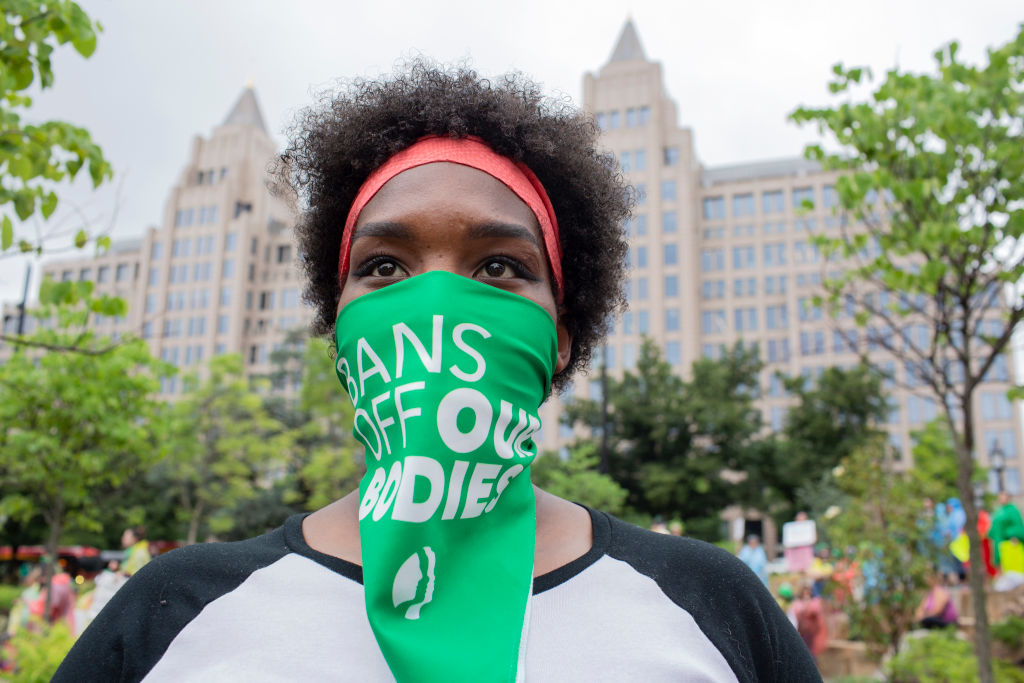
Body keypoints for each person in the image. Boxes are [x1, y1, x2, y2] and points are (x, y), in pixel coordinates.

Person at [56, 62, 820, 682]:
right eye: (384, 265)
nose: (438, 302)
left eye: (499, 265)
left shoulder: (713, 605)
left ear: (561, 335)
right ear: (339, 333)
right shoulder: (173, 611)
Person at [989, 492, 1024, 572]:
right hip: (999, 541)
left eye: (1003, 497)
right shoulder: (998, 511)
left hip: (1009, 542)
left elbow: (1018, 525)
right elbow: (994, 526)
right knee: (1000, 565)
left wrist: (1014, 535)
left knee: (1013, 570)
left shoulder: (1013, 510)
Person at [791, 584, 828, 662]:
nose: (806, 595)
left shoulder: (815, 602)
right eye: (804, 593)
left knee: (813, 657)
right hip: (802, 635)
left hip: (813, 637)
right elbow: (797, 615)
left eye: (808, 593)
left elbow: (816, 613)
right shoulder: (797, 604)